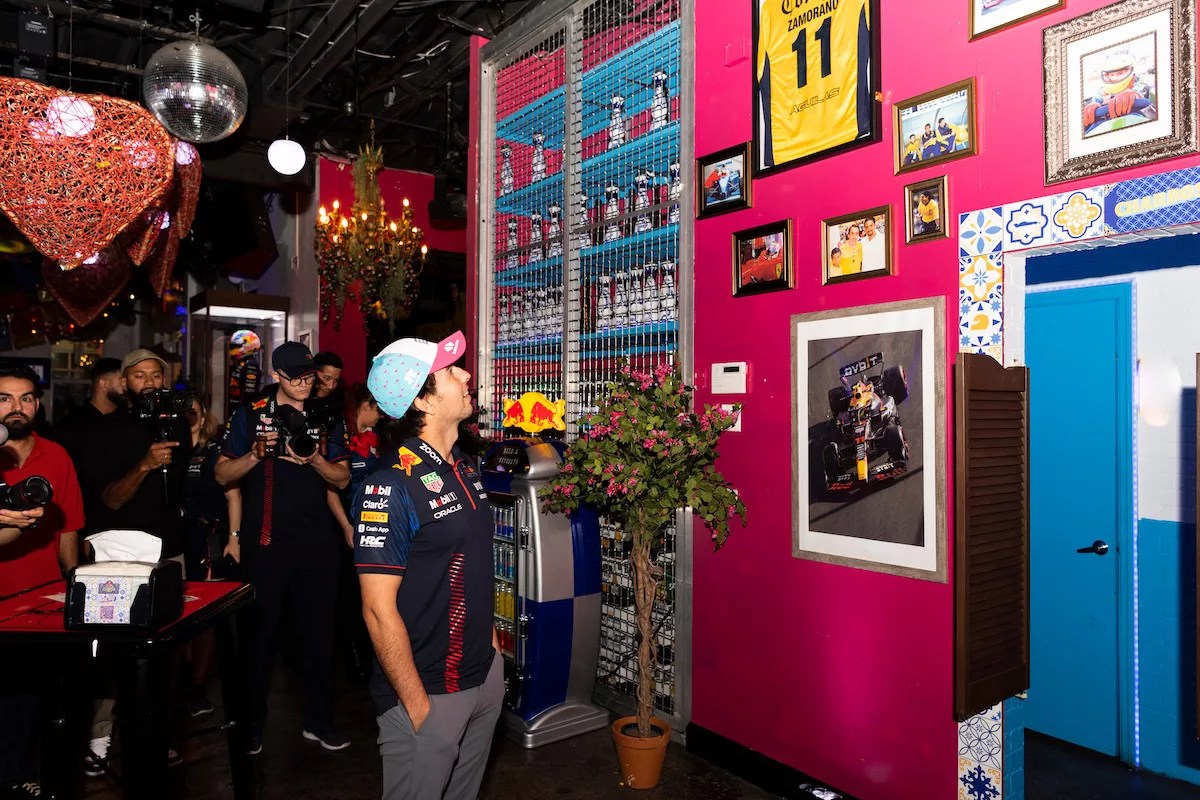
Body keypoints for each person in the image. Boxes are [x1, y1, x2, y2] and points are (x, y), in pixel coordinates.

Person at [354, 330, 503, 800]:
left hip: (482, 676)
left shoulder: (463, 466)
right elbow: (377, 610)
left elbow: (471, 565)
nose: (466, 375)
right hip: (428, 692)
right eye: (451, 371)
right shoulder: (389, 486)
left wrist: (493, 656)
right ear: (422, 400)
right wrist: (418, 707)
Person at [216, 341, 351, 754]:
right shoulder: (251, 412)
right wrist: (256, 455)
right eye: (297, 378)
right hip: (266, 544)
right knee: (260, 641)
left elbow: (342, 478)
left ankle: (318, 722)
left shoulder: (326, 415)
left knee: (319, 637)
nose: (306, 384)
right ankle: (251, 727)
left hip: (317, 544)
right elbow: (222, 474)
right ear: (277, 375)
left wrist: (315, 460)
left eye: (310, 376)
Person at [73, 348, 190, 775]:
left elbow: (179, 491)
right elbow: (111, 499)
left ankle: (157, 733)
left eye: (156, 375)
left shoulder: (177, 424)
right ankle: (100, 737)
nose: (150, 382)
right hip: (120, 551)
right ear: (124, 383)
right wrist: (144, 464)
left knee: (168, 647)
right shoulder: (105, 430)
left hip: (168, 549)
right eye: (140, 375)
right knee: (112, 648)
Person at [0, 364, 85, 798]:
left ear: (38, 404)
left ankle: (18, 775)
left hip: (39, 599)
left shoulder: (57, 455)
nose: (16, 407)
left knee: (32, 698)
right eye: (4, 398)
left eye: (26, 398)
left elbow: (69, 527)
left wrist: (71, 583)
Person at [181, 397, 239, 716]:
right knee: (177, 611)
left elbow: (233, 496)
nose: (188, 416)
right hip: (176, 541)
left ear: (204, 418)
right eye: (183, 412)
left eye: (193, 411)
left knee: (202, 614)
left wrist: (234, 538)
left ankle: (197, 685)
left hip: (207, 539)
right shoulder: (170, 451)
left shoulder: (214, 451)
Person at [328, 384, 382, 681]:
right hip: (346, 523)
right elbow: (331, 492)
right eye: (376, 409)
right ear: (364, 406)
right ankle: (352, 656)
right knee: (349, 593)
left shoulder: (375, 438)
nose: (380, 415)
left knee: (371, 590)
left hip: (372, 520)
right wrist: (346, 526)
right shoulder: (341, 437)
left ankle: (368, 650)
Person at [49, 357, 122, 461]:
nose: (126, 386)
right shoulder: (69, 428)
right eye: (122, 380)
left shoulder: (127, 423)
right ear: (103, 384)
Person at [308, 351, 345, 431]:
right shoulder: (301, 399)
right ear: (314, 373)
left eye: (336, 380)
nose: (331, 386)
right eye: (327, 378)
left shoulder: (339, 404)